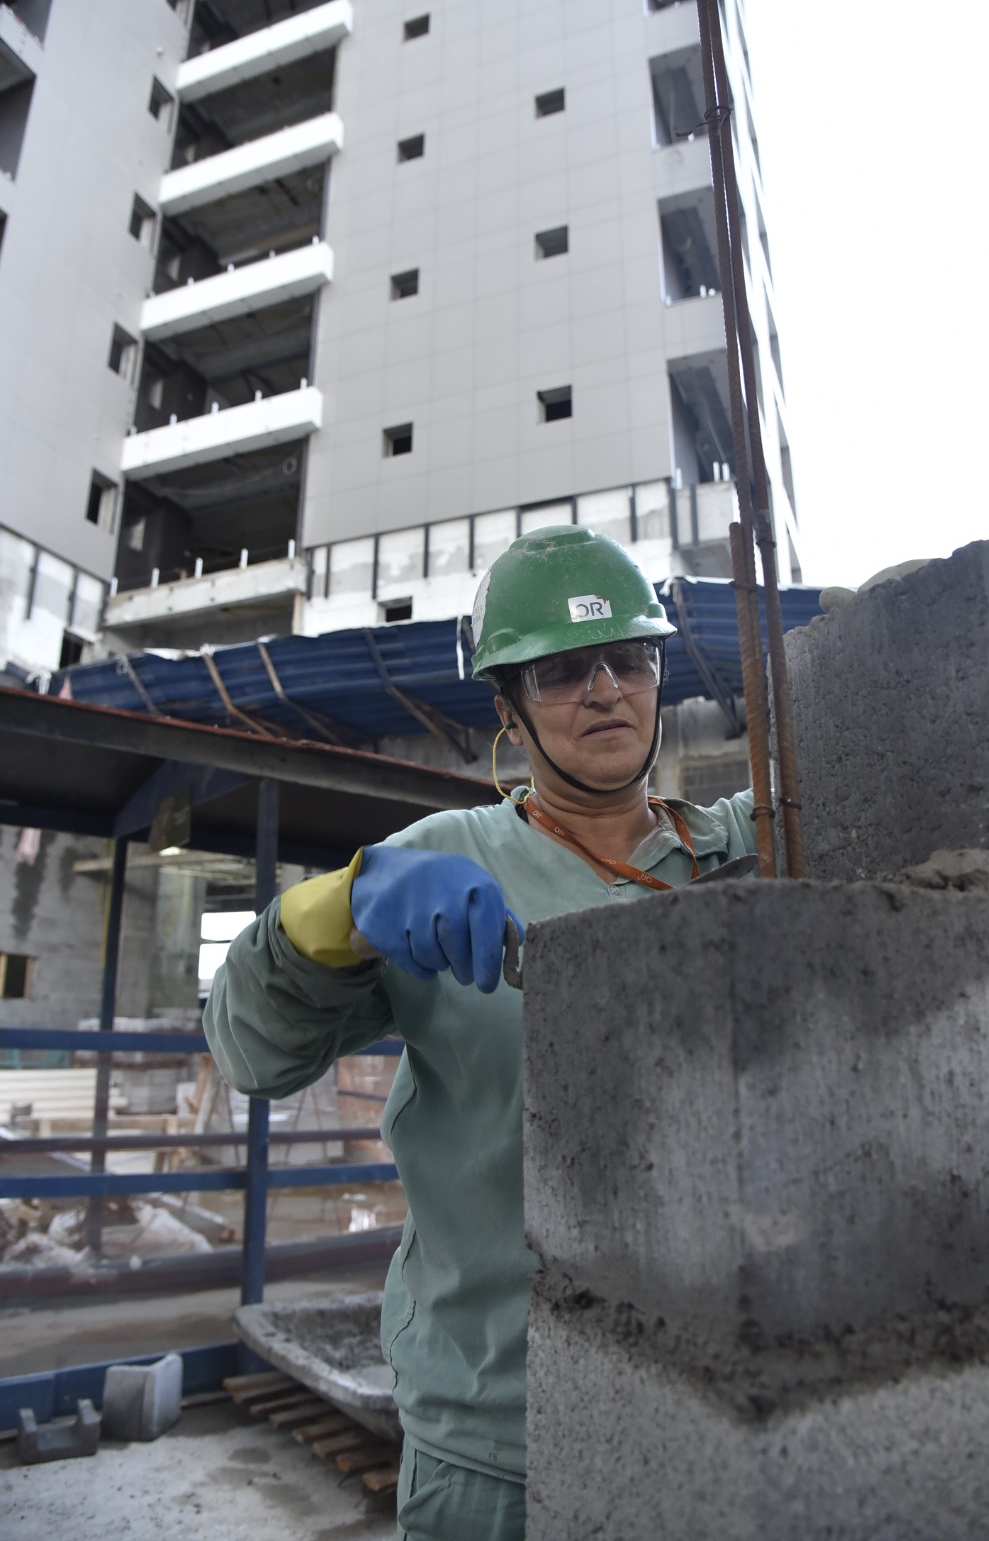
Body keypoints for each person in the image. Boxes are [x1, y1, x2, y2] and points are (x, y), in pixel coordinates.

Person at [204, 524, 758, 1541]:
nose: (604, 690)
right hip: (500, 1435)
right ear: (508, 706)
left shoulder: (747, 849)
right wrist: (333, 912)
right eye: (560, 670)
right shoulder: (441, 861)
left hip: (731, 1407)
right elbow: (251, 1053)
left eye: (627, 658)